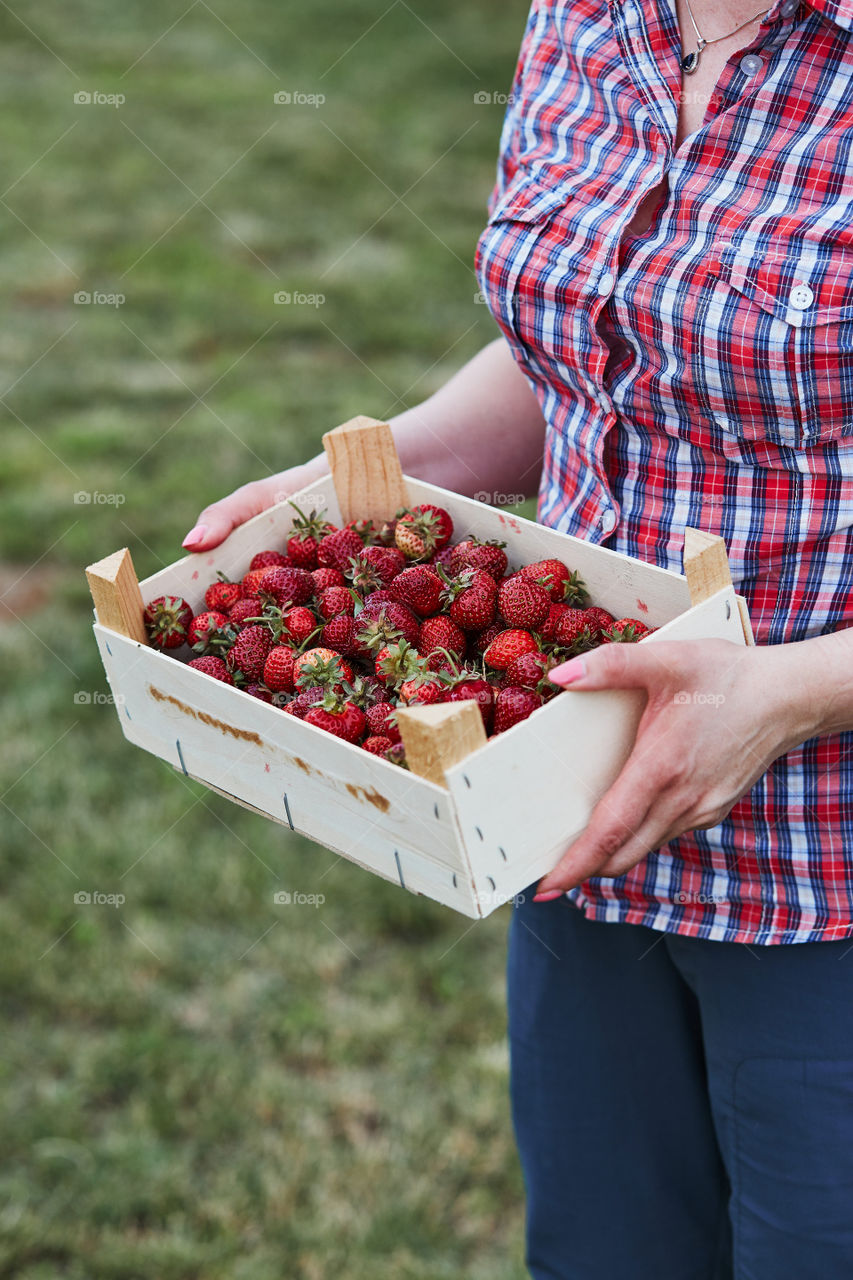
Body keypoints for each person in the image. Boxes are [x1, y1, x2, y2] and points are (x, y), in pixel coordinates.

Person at [181, 0, 853, 1274]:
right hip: (572, 819)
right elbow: (594, 349)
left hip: (828, 876)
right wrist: (381, 476)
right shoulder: (592, 15)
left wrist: (796, 688)